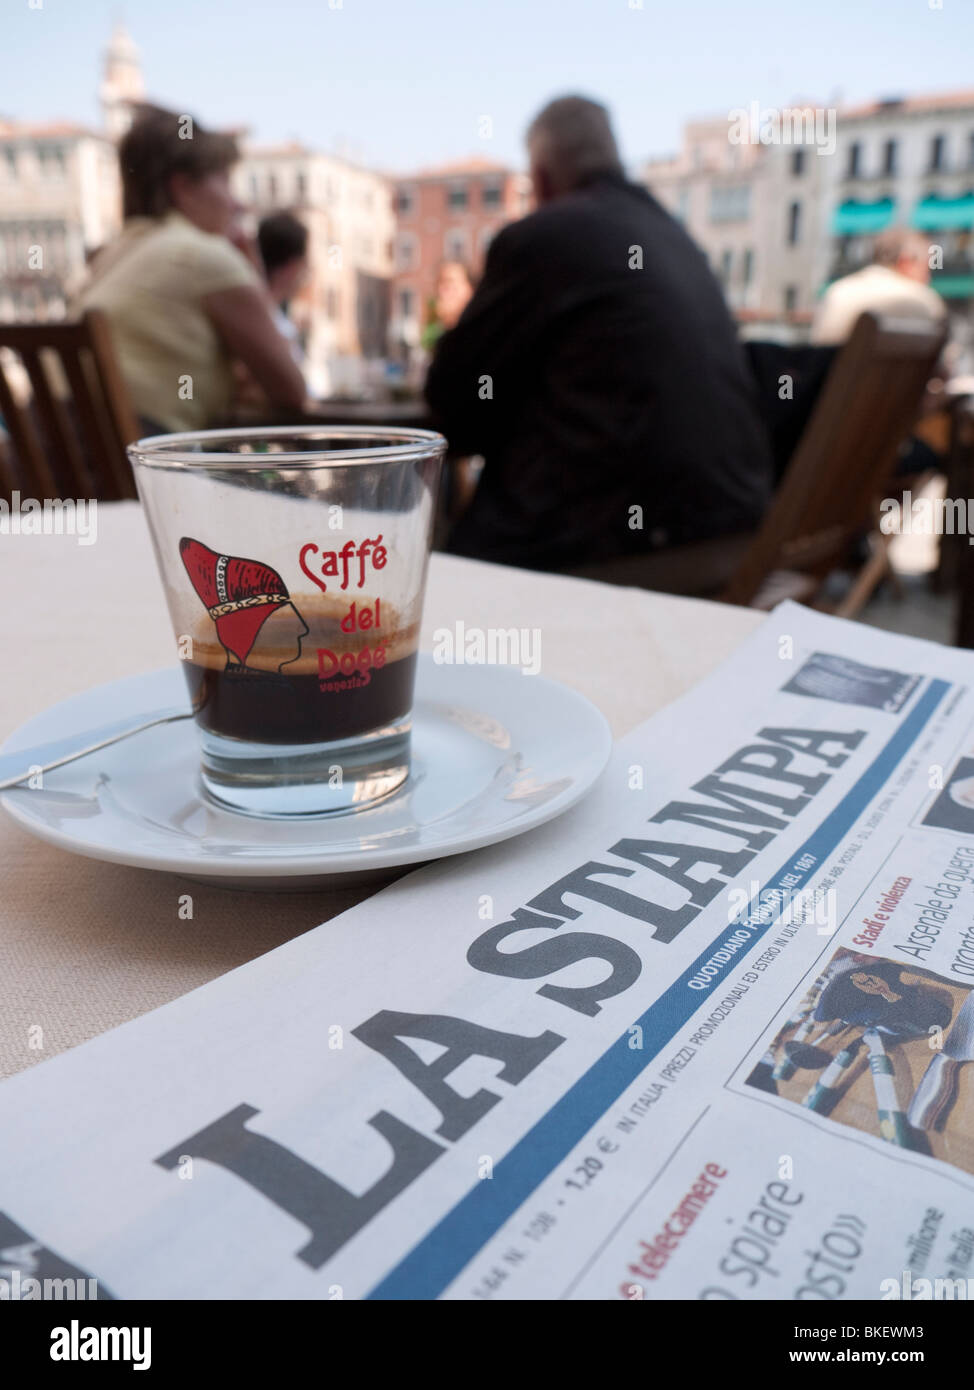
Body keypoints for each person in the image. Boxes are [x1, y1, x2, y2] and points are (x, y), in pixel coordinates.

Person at [425, 95, 773, 573]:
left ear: (542, 179)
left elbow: (453, 407)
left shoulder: (543, 237)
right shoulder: (678, 239)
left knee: (438, 566)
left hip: (612, 547)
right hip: (732, 533)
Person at [79, 105, 305, 434]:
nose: (237, 203)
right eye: (225, 181)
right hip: (141, 471)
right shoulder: (205, 257)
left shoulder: (112, 254)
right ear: (183, 187)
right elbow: (292, 393)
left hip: (59, 468)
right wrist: (250, 269)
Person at [812, 229, 947, 345]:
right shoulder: (925, 299)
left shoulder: (837, 290)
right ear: (906, 262)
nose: (929, 277)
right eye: (927, 268)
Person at [257, 211, 310, 362]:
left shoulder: (266, 315)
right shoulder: (274, 330)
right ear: (292, 265)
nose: (307, 269)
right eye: (304, 261)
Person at [421, 261, 475, 352]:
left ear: (470, 289)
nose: (441, 291)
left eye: (450, 283)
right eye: (438, 284)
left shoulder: (482, 333)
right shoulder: (437, 333)